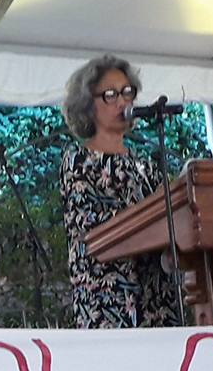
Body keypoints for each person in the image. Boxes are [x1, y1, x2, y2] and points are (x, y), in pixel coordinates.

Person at [60, 54, 183, 329]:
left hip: (156, 303)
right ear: (88, 105)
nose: (122, 101)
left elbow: (174, 213)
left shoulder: (146, 164)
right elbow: (93, 229)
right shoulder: (78, 161)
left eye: (127, 92)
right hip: (108, 303)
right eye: (111, 95)